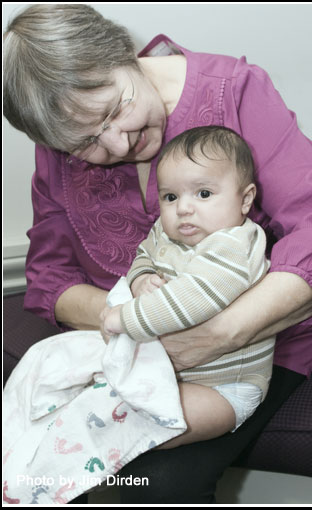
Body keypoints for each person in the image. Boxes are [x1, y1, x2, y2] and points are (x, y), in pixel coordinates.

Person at [3, 4, 312, 504]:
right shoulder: (63, 130)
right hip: (125, 336)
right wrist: (127, 317)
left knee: (139, 485)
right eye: (87, 141)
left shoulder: (236, 91)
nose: (117, 142)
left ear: (125, 55)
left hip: (249, 342)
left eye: (116, 109)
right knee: (34, 435)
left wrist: (215, 335)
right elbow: (50, 275)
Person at [101, 126, 275, 449]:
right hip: (174, 369)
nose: (183, 208)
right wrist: (140, 280)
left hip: (224, 387)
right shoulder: (166, 231)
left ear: (245, 199)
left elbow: (190, 299)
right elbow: (142, 256)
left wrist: (123, 318)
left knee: (147, 428)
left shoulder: (235, 245)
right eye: (170, 197)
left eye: (203, 194)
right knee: (109, 403)